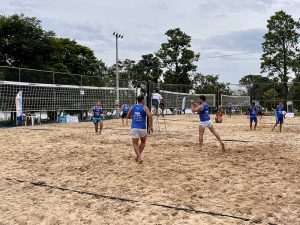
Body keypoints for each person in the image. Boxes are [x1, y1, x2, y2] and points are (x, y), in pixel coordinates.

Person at [127, 95, 153, 163]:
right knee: (143, 142)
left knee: (135, 144)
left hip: (134, 127)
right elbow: (150, 116)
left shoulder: (132, 107)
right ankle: (139, 157)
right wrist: (150, 126)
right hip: (142, 128)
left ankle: (138, 157)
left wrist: (135, 117)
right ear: (142, 100)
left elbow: (127, 116)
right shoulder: (145, 107)